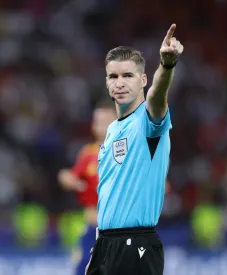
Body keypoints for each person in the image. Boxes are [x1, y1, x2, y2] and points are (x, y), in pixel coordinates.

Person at [85, 24, 183, 275]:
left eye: (127, 75)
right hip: (105, 244)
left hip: (136, 245)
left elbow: (158, 94)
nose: (119, 83)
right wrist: (99, 249)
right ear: (106, 82)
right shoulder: (112, 130)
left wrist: (167, 64)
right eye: (113, 76)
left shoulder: (148, 121)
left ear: (143, 79)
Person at [57, 100, 116, 275]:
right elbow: (71, 176)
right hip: (92, 227)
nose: (102, 126)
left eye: (107, 122)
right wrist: (66, 178)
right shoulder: (88, 153)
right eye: (98, 122)